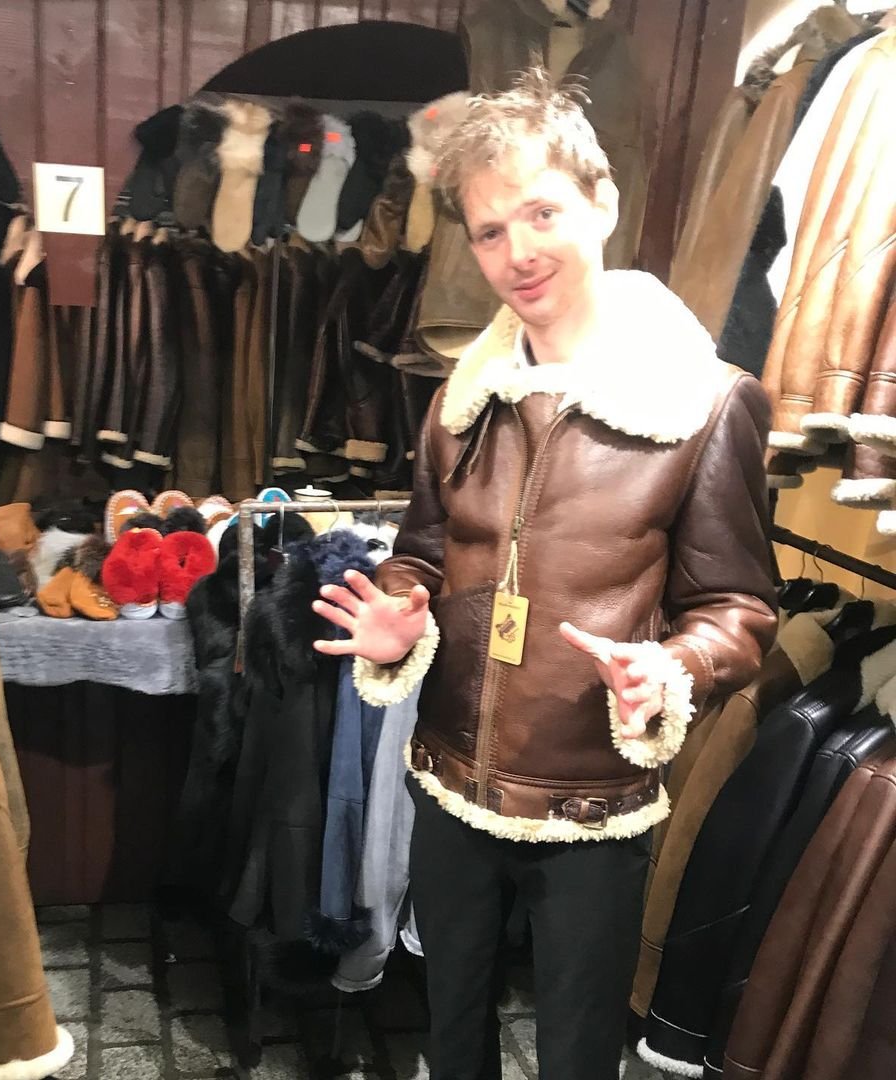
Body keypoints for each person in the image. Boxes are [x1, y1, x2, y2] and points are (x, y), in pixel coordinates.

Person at [311, 67, 777, 1080]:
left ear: (601, 204)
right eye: (487, 231)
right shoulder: (459, 403)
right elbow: (422, 555)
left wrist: (675, 669)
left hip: (594, 810)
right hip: (448, 787)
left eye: (541, 213)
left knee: (575, 1058)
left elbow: (739, 607)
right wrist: (400, 611)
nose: (517, 253)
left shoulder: (704, 404)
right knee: (450, 1036)